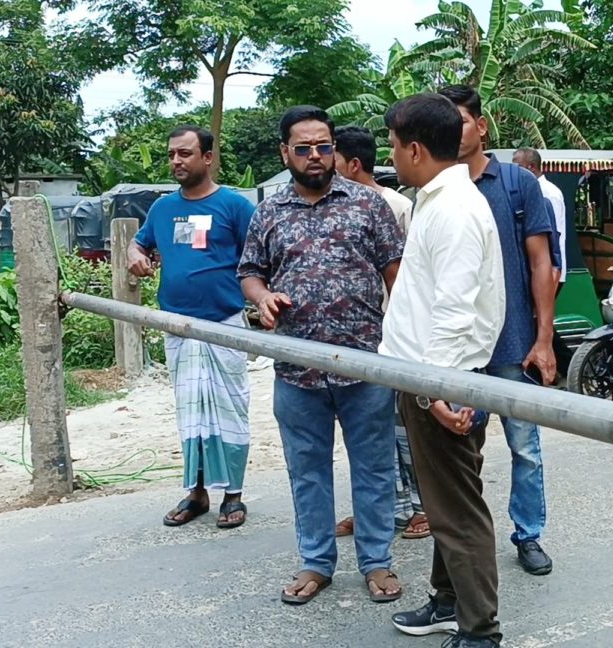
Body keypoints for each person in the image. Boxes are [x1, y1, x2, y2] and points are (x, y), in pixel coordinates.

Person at [237, 105, 405, 605]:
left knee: (375, 467)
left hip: (365, 364)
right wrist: (262, 297)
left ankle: (377, 562)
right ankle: (316, 561)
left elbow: (397, 275)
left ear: (336, 149)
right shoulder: (268, 211)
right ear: (285, 152)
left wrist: (403, 344)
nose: (315, 156)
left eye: (324, 146)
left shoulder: (367, 205)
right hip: (296, 370)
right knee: (306, 469)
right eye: (304, 148)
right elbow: (249, 271)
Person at [379, 92, 507, 648]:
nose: (391, 154)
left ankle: (480, 631)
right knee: (444, 500)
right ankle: (449, 600)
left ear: (413, 147)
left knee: (457, 511)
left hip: (443, 381)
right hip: (427, 377)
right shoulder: (437, 197)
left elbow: (454, 311)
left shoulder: (452, 208)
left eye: (391, 144)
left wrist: (436, 390)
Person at [438, 84, 557, 576]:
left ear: (481, 127)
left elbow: (540, 263)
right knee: (463, 452)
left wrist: (544, 338)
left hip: (512, 344)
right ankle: (469, 541)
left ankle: (528, 534)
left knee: (524, 447)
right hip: (462, 349)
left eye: (460, 121)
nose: (452, 131)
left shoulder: (515, 184)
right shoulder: (436, 188)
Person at [128, 124, 254, 530]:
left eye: (185, 153)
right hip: (178, 328)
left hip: (224, 327)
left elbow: (261, 255)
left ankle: (233, 495)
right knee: (191, 413)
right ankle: (197, 493)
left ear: (208, 157)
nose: (177, 162)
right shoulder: (163, 208)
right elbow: (139, 242)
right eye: (172, 155)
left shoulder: (234, 206)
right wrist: (136, 254)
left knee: (230, 410)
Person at [332, 125, 429, 541]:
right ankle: (382, 507)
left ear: (353, 165)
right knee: (371, 431)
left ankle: (422, 507)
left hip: (394, 333)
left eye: (333, 159)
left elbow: (407, 273)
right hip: (358, 337)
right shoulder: (335, 206)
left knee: (405, 426)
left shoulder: (394, 205)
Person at [513, 147, 568, 288]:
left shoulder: (549, 193)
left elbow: (553, 234)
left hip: (549, 269)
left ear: (531, 166)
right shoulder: (527, 190)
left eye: (517, 166)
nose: (514, 172)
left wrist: (552, 272)